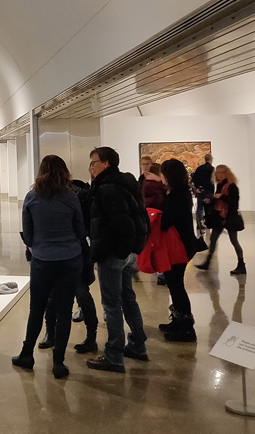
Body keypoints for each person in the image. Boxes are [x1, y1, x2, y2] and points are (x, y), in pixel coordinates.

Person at [12, 156, 86, 379]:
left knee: (37, 308)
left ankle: (27, 354)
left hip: (42, 259)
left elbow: (28, 233)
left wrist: (36, 247)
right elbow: (80, 230)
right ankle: (58, 362)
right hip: (70, 258)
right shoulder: (71, 197)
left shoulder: (32, 197)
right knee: (64, 310)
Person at [84, 147, 149, 373]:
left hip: (113, 252)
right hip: (125, 252)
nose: (91, 167)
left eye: (94, 162)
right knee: (127, 297)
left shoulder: (108, 188)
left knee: (111, 304)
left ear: (106, 163)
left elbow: (122, 223)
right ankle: (138, 344)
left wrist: (117, 252)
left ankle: (114, 355)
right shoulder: (124, 183)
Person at [38, 178, 99, 356]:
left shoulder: (76, 196)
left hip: (75, 253)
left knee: (81, 295)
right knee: (54, 296)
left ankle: (90, 336)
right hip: (61, 253)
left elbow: (83, 227)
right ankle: (51, 332)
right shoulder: (48, 197)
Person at [157, 159, 199, 342]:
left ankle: (186, 328)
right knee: (174, 284)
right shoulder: (180, 192)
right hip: (182, 244)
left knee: (176, 285)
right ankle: (177, 321)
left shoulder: (178, 195)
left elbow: (167, 221)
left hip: (179, 245)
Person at [195, 165, 246, 275]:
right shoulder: (219, 185)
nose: (220, 175)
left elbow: (234, 203)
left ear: (227, 173)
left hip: (229, 218)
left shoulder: (232, 187)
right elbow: (218, 201)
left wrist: (220, 197)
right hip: (220, 217)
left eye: (223, 172)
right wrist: (211, 200)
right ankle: (207, 263)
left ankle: (241, 264)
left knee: (234, 241)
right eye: (218, 173)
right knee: (213, 240)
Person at [192, 154, 215, 235]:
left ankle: (199, 224)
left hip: (200, 191)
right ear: (211, 159)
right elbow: (212, 181)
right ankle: (208, 223)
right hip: (208, 191)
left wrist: (197, 188)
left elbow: (194, 179)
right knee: (208, 208)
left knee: (199, 207)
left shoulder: (199, 168)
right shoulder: (211, 169)